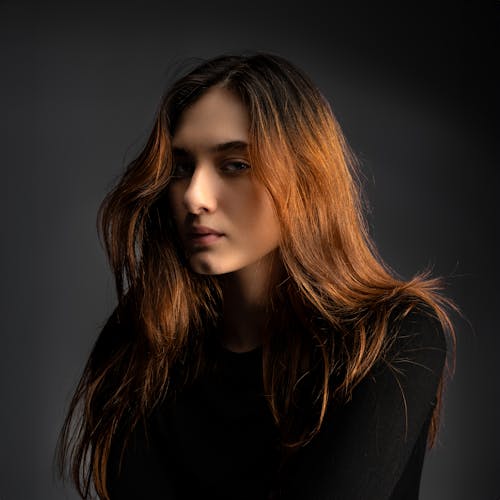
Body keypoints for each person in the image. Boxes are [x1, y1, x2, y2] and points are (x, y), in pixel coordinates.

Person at [58, 53, 456, 500]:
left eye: (235, 165)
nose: (194, 196)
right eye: (182, 167)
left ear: (306, 177)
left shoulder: (394, 336)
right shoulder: (141, 344)